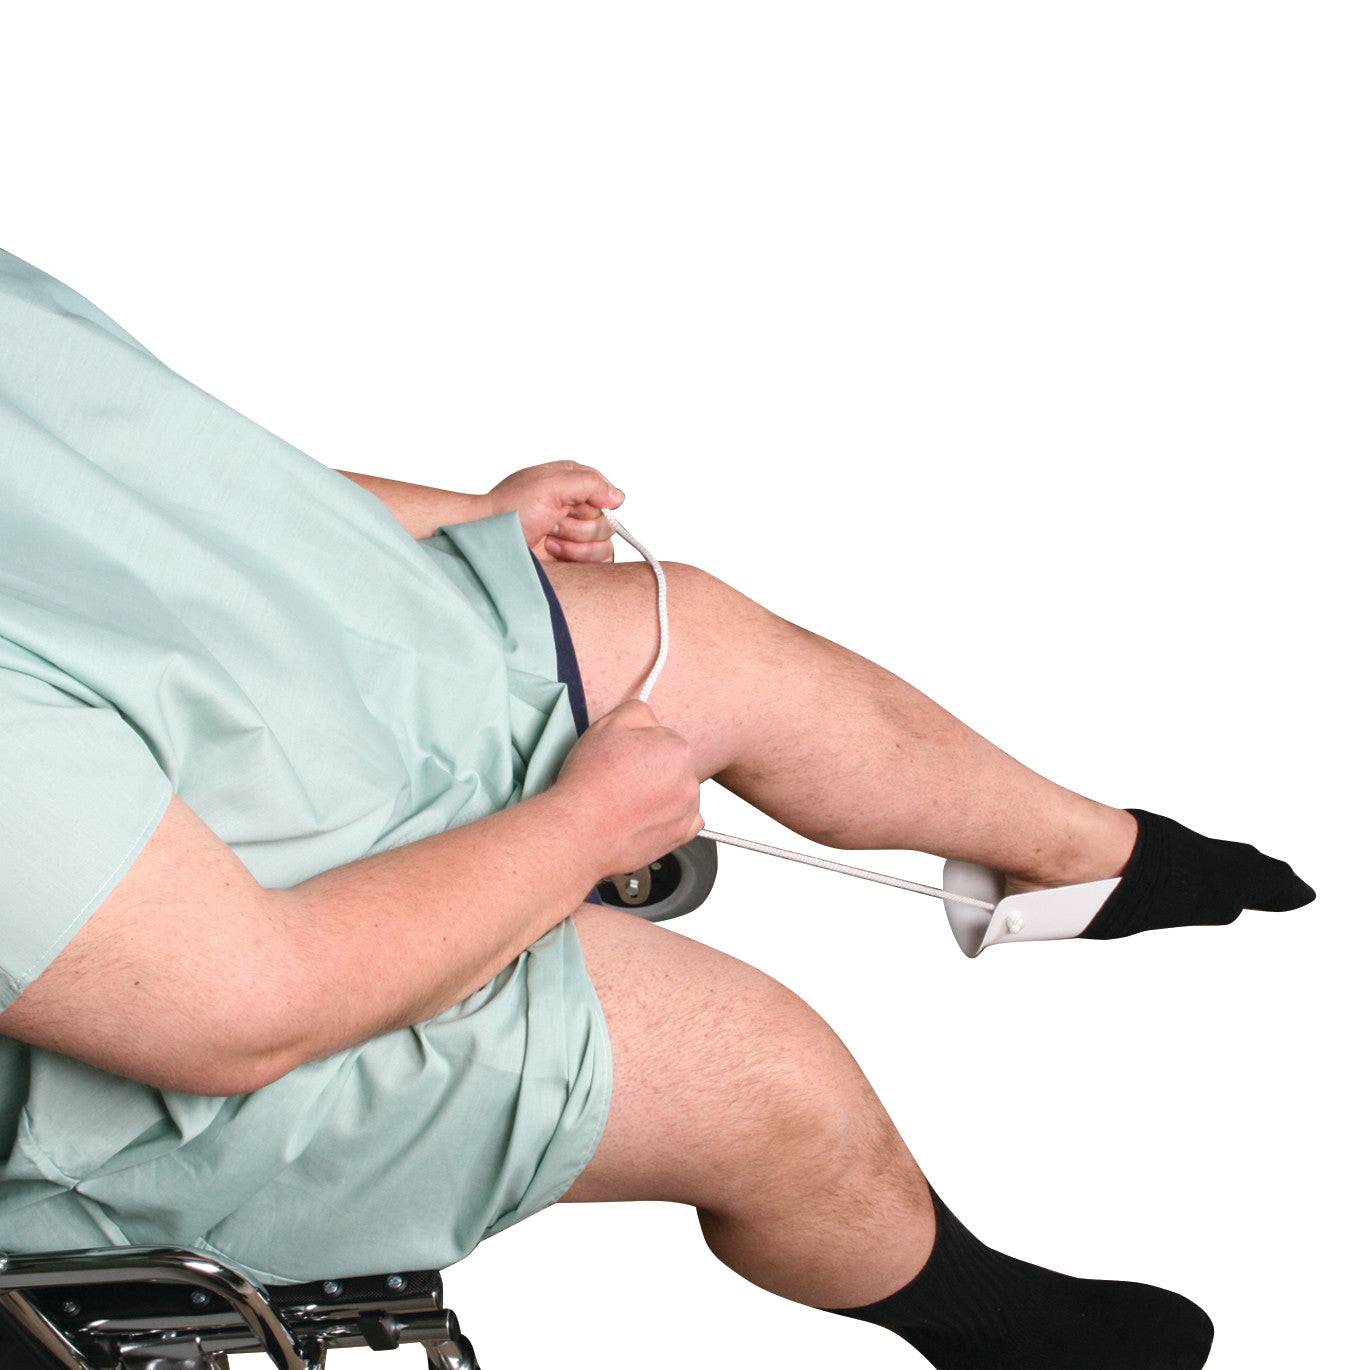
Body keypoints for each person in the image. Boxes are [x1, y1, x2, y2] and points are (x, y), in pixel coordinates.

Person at [0, 247, 1313, 1370]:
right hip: (160, 1010)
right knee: (769, 1078)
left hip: (153, 732)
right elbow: (239, 1010)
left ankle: (1089, 859)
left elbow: (150, 501)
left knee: (712, 644)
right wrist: (581, 827)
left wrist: (460, 519)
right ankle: (972, 1308)